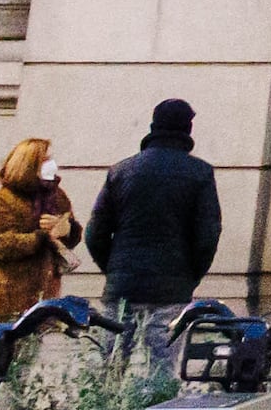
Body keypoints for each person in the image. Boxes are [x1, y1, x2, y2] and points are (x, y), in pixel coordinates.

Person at [90, 96, 223, 330]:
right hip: (171, 289)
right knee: (162, 363)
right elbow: (208, 235)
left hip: (122, 287)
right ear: (188, 129)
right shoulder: (200, 172)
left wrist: (114, 270)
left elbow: (95, 234)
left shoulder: (120, 171)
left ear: (153, 126)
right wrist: (190, 277)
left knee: (112, 362)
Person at [0, 133, 78, 321]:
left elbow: (70, 229)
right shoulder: (2, 200)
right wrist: (42, 237)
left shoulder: (56, 196)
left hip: (44, 296)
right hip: (7, 300)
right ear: (30, 163)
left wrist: (68, 229)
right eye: (46, 159)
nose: (52, 165)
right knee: (5, 349)